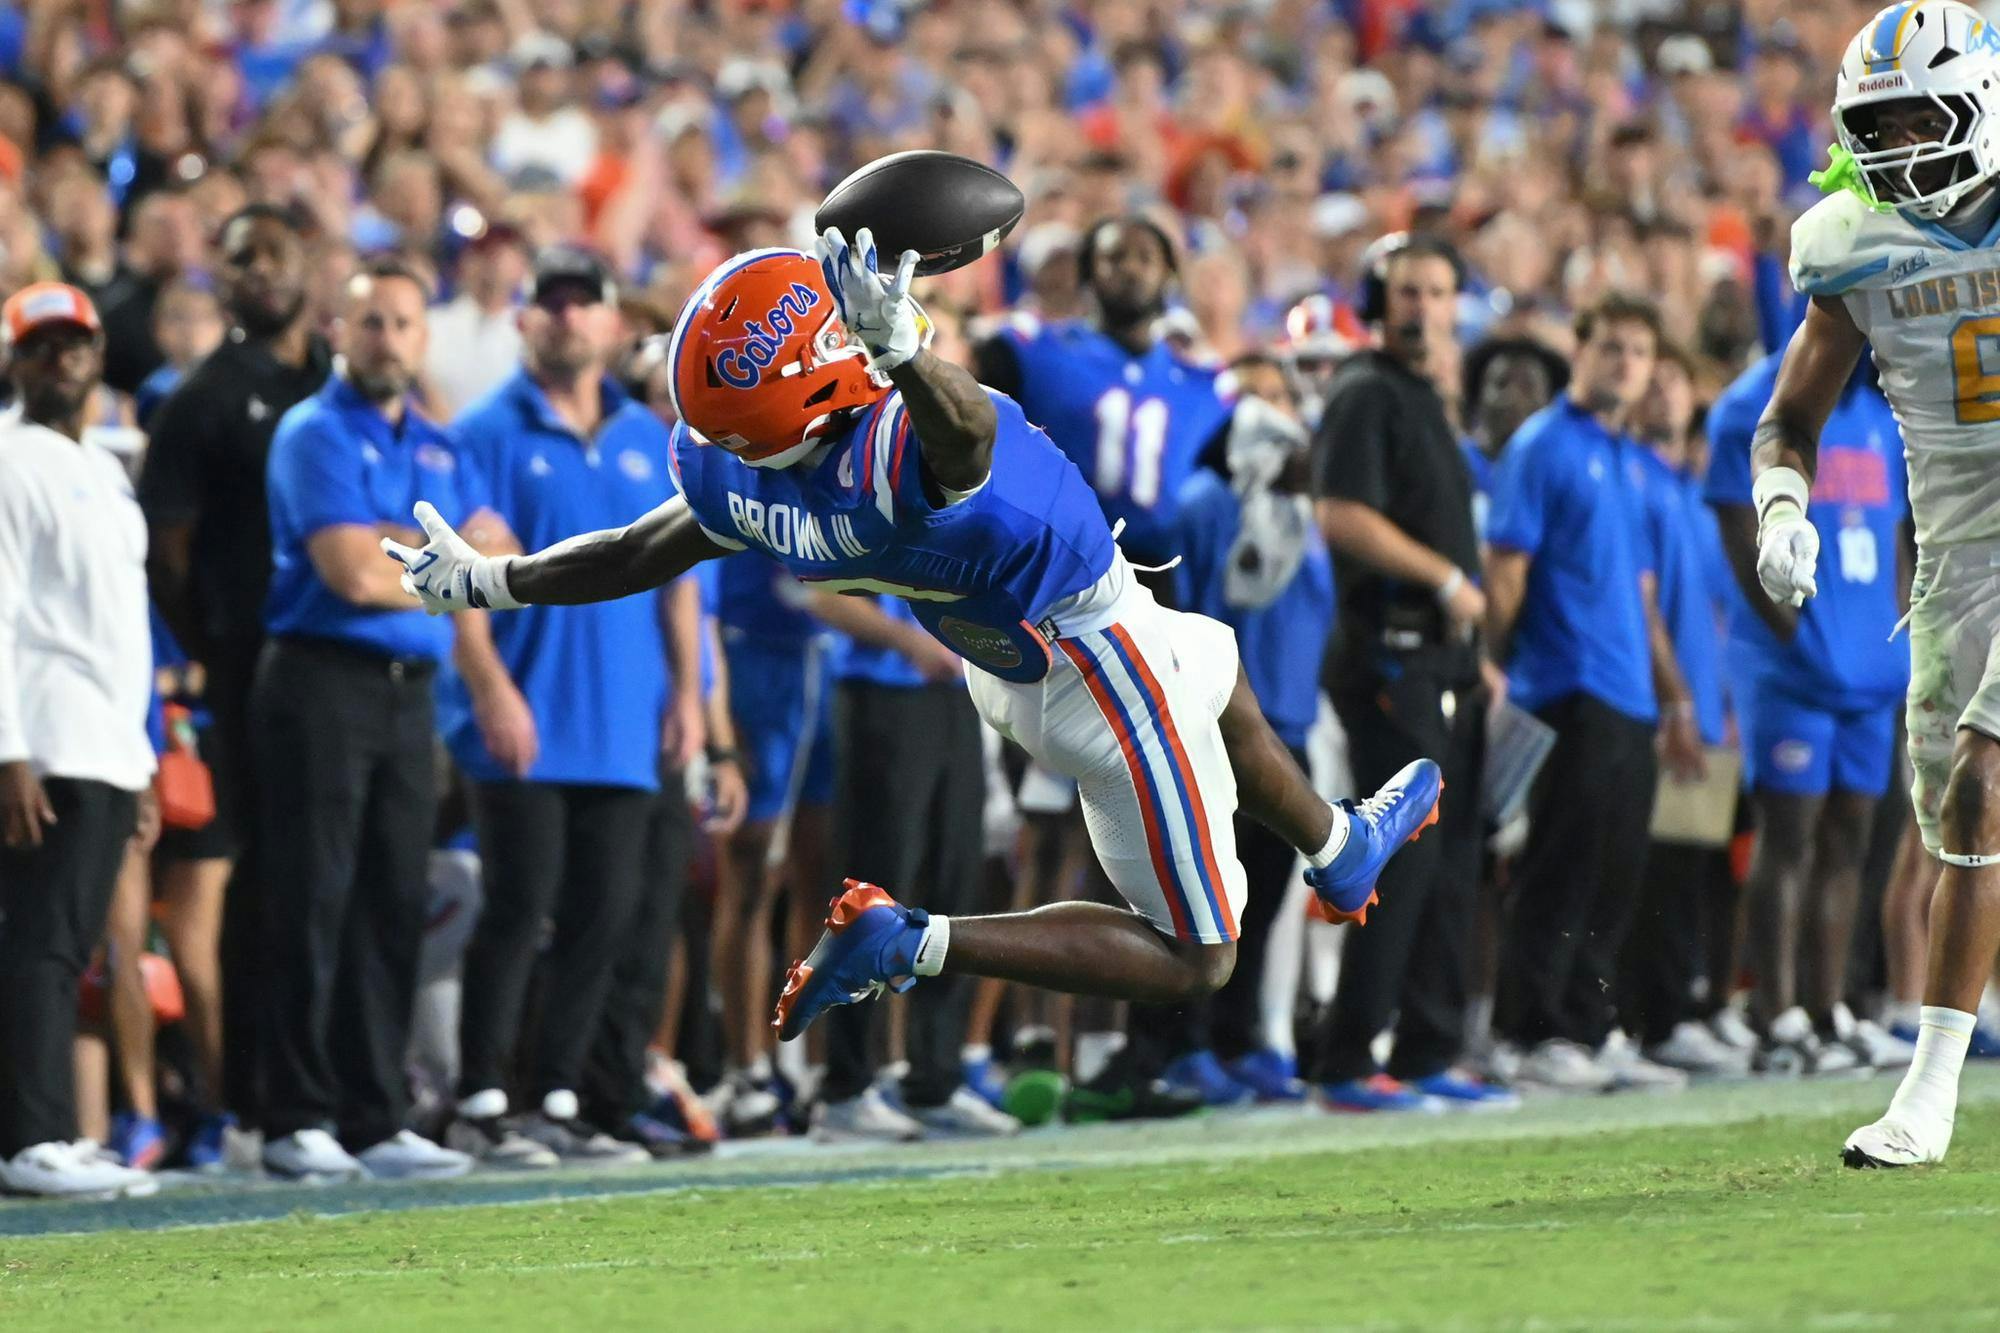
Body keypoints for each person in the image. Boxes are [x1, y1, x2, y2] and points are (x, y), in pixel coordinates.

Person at [384, 232, 1441, 1056]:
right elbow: (963, 437)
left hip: (1019, 654)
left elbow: (641, 546)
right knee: (1196, 957)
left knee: (1217, 672)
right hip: (1097, 661)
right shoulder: (900, 459)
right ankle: (914, 937)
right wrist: (906, 349)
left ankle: (1338, 850)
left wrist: (494, 579)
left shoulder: (747, 472)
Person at [1750, 0, 2000, 1167]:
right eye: (1876, 124)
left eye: (1918, 117)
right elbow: (1787, 419)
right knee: (1957, 819)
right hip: (1956, 551)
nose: (1895, 147)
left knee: (1980, 787)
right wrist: (1780, 507)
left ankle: (1926, 1094)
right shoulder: (1850, 241)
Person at [252, 259, 510, 1182]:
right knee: (311, 897)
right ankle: (294, 1112)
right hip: (321, 681)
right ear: (338, 332)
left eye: (404, 323)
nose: (389, 339)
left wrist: (410, 550)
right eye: (371, 323)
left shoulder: (442, 442)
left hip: (409, 691)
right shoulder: (312, 432)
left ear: (422, 337)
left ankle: (375, 1113)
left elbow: (503, 549)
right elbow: (349, 574)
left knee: (391, 901)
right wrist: (442, 561)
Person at [443, 245, 701, 1168]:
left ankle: (558, 1094)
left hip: (627, 717)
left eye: (580, 303)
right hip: (529, 712)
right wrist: (489, 687)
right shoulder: (481, 430)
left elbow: (679, 578)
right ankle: (481, 1098)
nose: (564, 317)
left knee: (605, 915)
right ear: (523, 320)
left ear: (609, 321)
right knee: (516, 909)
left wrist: (691, 697)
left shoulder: (648, 435)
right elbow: (455, 578)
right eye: (547, 303)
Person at [139, 201, 332, 1160]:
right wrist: (210, 643)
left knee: (333, 881)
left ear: (310, 261)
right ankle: (251, 1097)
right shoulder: (204, 397)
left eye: (273, 253)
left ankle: (332, 1089)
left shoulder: (341, 381)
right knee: (256, 883)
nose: (258, 270)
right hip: (246, 672)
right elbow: (163, 549)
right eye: (240, 258)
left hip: (346, 670)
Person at [1305, 233, 1513, 1111]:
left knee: (1454, 854)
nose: (1424, 306)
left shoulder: (1427, 398)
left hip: (1444, 659)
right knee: (1399, 856)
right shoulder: (1365, 391)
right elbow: (1341, 515)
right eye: (1408, 291)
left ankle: (1429, 1050)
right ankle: (1349, 1058)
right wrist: (1444, 582)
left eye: (1438, 291)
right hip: (1390, 650)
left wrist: (1477, 657)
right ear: (1378, 299)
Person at [1484, 291, 1700, 1092]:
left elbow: (1641, 597)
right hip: (1563, 684)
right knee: (1559, 867)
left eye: (1637, 352)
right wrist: (1499, 668)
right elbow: (1504, 574)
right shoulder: (1542, 447)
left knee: (1615, 870)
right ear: (1581, 351)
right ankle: (1530, 1032)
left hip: (1627, 695)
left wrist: (1671, 694)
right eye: (1610, 346)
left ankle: (1586, 1024)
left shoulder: (1631, 464)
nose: (1624, 363)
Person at [1708, 347, 1912, 1075]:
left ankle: (1830, 1008)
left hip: (1871, 667)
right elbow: (1738, 532)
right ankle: (1776, 1011)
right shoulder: (1749, 407)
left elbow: (1896, 538)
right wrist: (1799, 636)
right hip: (1792, 670)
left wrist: (1895, 636)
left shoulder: (1880, 413)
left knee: (1852, 841)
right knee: (1788, 834)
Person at [0, 282, 159, 1199]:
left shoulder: (101, 466)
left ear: (97, 354)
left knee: (65, 945)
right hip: (49, 737)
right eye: (41, 347)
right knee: (43, 942)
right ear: (17, 361)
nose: (59, 361)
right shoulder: (14, 463)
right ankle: (30, 1136)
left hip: (100, 739)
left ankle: (54, 1127)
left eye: (72, 344)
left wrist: (139, 759)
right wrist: (9, 749)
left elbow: (120, 628)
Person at [1162, 352, 1332, 1102]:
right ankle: (1178, 1043)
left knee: (1260, 898)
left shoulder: (1304, 511)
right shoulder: (1202, 501)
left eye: (1278, 396)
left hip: (1289, 723)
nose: (1267, 412)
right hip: (1218, 725)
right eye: (1251, 395)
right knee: (1205, 897)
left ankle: (1236, 1037)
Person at [804, 592, 1023, 1139]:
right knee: (872, 900)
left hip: (955, 699)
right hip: (883, 695)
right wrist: (909, 641)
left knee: (954, 891)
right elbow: (823, 597)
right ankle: (845, 1088)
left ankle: (935, 1081)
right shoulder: (859, 506)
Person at [1615, 345, 1747, 1077]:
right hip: (1664, 704)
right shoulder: (1635, 481)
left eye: (1674, 378)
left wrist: (1720, 698)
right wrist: (1678, 699)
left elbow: (1713, 611)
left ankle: (1691, 1007)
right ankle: (1655, 1016)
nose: (1665, 391)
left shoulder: (1691, 490)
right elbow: (1646, 607)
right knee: (1659, 865)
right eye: (1653, 379)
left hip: (1706, 699)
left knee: (1698, 864)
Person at [973, 215, 1235, 581]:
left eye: (1145, 258)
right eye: (1115, 257)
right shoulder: (1034, 352)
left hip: (1158, 573)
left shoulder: (1205, 385)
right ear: (1087, 273)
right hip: (1052, 561)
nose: (1130, 269)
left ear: (1169, 276)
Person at [706, 554, 837, 1136]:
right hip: (753, 654)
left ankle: (812, 1066)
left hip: (826, 656)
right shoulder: (726, 465)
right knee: (753, 873)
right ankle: (746, 1065)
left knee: (826, 878)